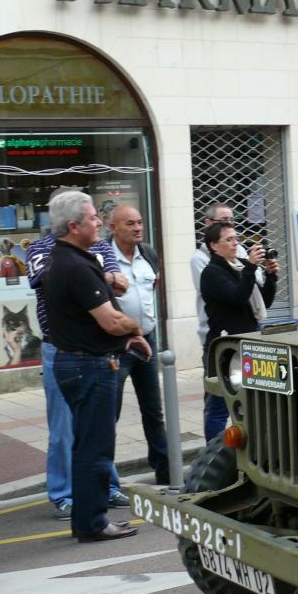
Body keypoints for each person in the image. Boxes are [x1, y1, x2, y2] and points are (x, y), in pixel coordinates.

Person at [41, 191, 148, 542]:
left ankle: (87, 519)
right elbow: (110, 322)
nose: (98, 222)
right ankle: (93, 522)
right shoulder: (77, 266)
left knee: (85, 444)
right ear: (73, 226)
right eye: (91, 218)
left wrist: (124, 334)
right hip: (88, 366)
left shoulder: (66, 259)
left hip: (74, 362)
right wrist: (134, 328)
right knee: (96, 448)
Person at [199, 220, 278, 442]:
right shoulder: (212, 273)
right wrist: (251, 268)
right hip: (224, 347)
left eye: (237, 239)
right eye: (229, 240)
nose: (236, 244)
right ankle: (214, 454)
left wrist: (271, 276)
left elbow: (266, 301)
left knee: (249, 403)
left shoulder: (242, 266)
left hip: (249, 342)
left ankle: (247, 448)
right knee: (220, 405)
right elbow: (237, 297)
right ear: (214, 245)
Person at [109, 203, 169, 485]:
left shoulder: (148, 253)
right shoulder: (103, 258)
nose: (138, 228)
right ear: (114, 228)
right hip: (117, 345)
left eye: (140, 222)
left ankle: (164, 467)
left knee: (153, 408)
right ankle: (106, 477)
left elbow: (152, 289)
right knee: (111, 411)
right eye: (130, 223)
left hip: (147, 338)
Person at [191, 203, 235, 346]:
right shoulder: (199, 258)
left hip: (244, 328)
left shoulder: (239, 250)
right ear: (208, 223)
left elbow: (257, 283)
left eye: (231, 220)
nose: (228, 224)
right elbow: (223, 292)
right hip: (216, 333)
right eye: (223, 221)